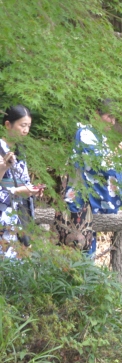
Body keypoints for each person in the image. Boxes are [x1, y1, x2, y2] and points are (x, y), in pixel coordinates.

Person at [66, 100, 122, 258]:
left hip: (92, 203)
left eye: (115, 118)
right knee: (80, 251)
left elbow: (112, 167)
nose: (112, 122)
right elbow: (96, 165)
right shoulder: (85, 133)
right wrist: (120, 148)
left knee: (88, 249)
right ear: (95, 114)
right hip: (82, 200)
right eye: (109, 116)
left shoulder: (101, 137)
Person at [0, 106, 45, 259]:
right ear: (8, 125)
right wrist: (15, 191)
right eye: (22, 125)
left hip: (20, 214)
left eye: (28, 126)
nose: (26, 130)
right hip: (4, 215)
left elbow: (24, 181)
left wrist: (32, 190)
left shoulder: (21, 151)